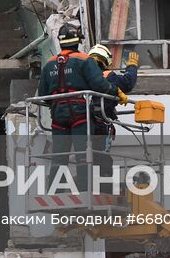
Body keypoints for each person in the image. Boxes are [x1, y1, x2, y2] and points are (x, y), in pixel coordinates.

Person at [38, 33, 127, 193]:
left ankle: (54, 191)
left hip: (58, 116)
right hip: (80, 114)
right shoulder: (84, 60)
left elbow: (43, 93)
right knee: (83, 154)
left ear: (61, 43)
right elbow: (99, 84)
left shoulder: (49, 64)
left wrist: (59, 103)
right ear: (77, 43)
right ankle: (85, 190)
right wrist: (116, 91)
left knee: (59, 156)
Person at [87, 44, 140, 176]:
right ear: (105, 60)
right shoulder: (107, 75)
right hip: (101, 124)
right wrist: (132, 66)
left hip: (83, 124)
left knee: (87, 156)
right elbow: (127, 83)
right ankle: (104, 187)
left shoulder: (84, 77)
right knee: (101, 157)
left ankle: (87, 183)